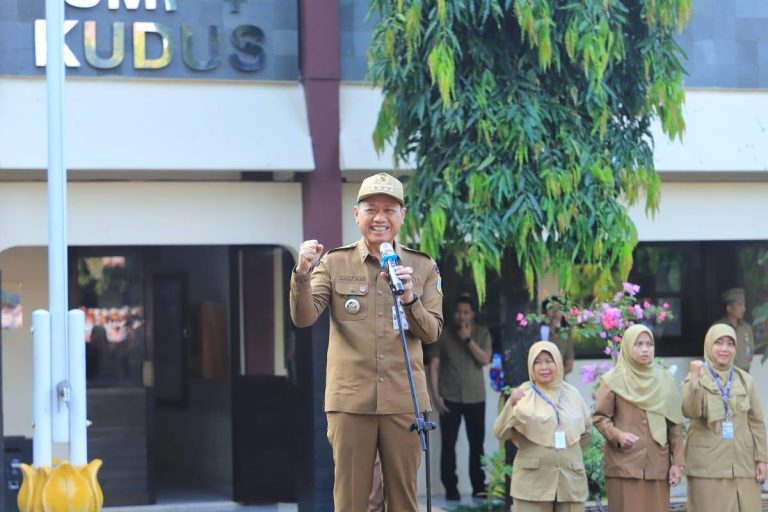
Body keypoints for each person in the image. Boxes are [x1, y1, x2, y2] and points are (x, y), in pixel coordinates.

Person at [290, 172, 444, 511]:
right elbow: (303, 317)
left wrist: (409, 298)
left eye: (390, 209)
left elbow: (431, 332)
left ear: (403, 215)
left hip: (405, 401)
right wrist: (301, 272)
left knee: (403, 500)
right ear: (356, 214)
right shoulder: (334, 263)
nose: (380, 218)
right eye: (371, 208)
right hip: (351, 401)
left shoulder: (422, 266)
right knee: (351, 500)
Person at [592, 324, 685, 512]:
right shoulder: (613, 380)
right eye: (638, 344)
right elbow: (600, 418)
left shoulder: (665, 379)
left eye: (649, 344)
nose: (645, 349)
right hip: (624, 465)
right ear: (627, 347)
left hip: (657, 464)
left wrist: (677, 463)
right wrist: (617, 435)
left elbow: (675, 425)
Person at [493, 341, 592, 512]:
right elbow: (500, 432)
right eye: (537, 362)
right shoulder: (522, 394)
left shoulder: (573, 394)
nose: (543, 367)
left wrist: (563, 454)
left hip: (570, 481)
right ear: (530, 366)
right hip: (532, 484)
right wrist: (511, 404)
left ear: (558, 363)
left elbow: (586, 432)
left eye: (548, 360)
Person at [682, 323, 768, 512]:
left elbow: (757, 422)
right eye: (718, 343)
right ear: (708, 345)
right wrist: (695, 379)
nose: (724, 349)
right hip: (708, 467)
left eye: (730, 344)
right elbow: (690, 411)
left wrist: (762, 458)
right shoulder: (697, 377)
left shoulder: (745, 380)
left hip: (743, 464)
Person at [427, 295, 492, 500]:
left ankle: (479, 487)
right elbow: (434, 367)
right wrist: (436, 397)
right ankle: (451, 489)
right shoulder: (443, 335)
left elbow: (485, 359)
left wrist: (468, 339)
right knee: (448, 445)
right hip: (449, 398)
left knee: (477, 445)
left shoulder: (482, 333)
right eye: (458, 312)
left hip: (475, 398)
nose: (461, 316)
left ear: (472, 314)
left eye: (465, 312)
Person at [717, 287, 755, 372]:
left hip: (745, 373)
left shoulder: (746, 328)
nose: (743, 309)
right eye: (740, 305)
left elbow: (751, 352)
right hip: (726, 374)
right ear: (729, 308)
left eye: (744, 305)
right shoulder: (719, 327)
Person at [539, 296, 575, 376]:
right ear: (544, 312)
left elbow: (569, 365)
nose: (555, 312)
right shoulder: (538, 332)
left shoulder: (564, 335)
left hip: (558, 382)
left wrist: (554, 377)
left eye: (559, 309)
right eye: (551, 308)